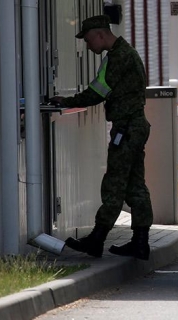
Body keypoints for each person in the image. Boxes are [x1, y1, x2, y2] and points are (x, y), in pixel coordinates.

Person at [50, 15, 153, 260]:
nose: (88, 46)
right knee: (135, 185)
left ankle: (97, 239)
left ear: (100, 34)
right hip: (134, 126)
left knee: (114, 184)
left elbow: (96, 92)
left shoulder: (118, 57)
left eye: (88, 40)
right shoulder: (127, 53)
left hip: (126, 129)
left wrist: (67, 101)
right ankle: (140, 242)